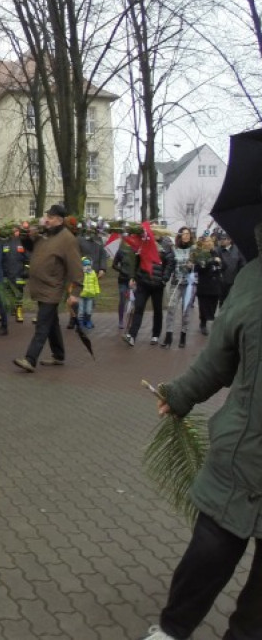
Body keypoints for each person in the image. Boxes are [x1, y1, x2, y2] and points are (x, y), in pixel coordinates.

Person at [141, 223, 262, 640]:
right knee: (208, 552)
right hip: (242, 451)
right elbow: (220, 357)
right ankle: (173, 630)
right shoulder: (254, 279)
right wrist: (181, 394)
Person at [13, 204, 83, 372]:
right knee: (51, 323)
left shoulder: (67, 239)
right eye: (47, 217)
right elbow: (31, 249)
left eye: (50, 218)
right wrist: (26, 236)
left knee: (42, 324)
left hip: (53, 288)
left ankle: (30, 359)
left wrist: (76, 292)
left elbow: (76, 267)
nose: (46, 220)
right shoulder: (44, 234)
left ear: (59, 220)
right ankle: (59, 355)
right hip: (40, 286)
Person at [125, 226, 175, 347]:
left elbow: (170, 264)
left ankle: (155, 335)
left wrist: (164, 280)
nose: (154, 235)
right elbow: (137, 261)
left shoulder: (166, 245)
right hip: (143, 282)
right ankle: (132, 335)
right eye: (152, 233)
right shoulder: (143, 243)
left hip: (158, 284)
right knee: (139, 307)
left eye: (155, 233)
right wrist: (134, 277)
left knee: (157, 310)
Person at [161, 227, 195, 349]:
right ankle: (168, 336)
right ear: (180, 236)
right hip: (176, 283)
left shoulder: (194, 250)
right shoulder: (174, 249)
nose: (186, 236)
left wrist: (193, 265)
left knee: (185, 311)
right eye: (184, 234)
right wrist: (164, 278)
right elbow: (169, 265)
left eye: (188, 234)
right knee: (171, 308)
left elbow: (201, 264)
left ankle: (183, 335)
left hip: (188, 284)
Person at [193, 237, 223, 336]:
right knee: (204, 306)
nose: (209, 243)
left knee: (213, 305)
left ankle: (209, 318)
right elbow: (198, 268)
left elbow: (224, 266)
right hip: (204, 286)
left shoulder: (216, 253)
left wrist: (220, 263)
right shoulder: (200, 254)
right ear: (203, 243)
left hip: (215, 285)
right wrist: (212, 260)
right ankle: (203, 324)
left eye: (211, 241)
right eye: (207, 241)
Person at [2, 225, 29, 324]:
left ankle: (19, 311)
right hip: (7, 274)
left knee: (19, 293)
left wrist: (26, 271)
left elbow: (28, 259)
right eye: (13, 231)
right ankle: (13, 308)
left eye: (16, 230)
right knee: (9, 293)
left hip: (19, 273)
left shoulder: (23, 243)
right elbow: (2, 259)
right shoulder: (5, 243)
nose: (14, 232)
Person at [217, 232, 245, 307]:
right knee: (222, 301)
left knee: (232, 302)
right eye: (220, 239)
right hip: (222, 281)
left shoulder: (237, 249)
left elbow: (242, 263)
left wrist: (240, 276)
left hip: (234, 280)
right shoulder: (218, 250)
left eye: (224, 239)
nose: (221, 241)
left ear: (229, 240)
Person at [77, 256, 100, 329]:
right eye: (85, 265)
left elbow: (95, 282)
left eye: (88, 265)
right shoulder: (80, 273)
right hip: (81, 294)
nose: (87, 267)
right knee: (81, 310)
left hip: (90, 295)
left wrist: (97, 291)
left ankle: (88, 321)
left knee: (89, 309)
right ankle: (80, 322)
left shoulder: (93, 273)